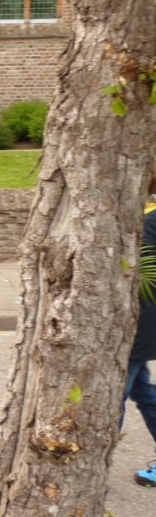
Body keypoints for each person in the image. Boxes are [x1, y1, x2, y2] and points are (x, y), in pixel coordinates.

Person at [123, 171, 156, 487]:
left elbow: (140, 271)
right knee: (143, 391)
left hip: (141, 321)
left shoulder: (149, 222)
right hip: (146, 321)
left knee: (114, 396)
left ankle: (91, 465)